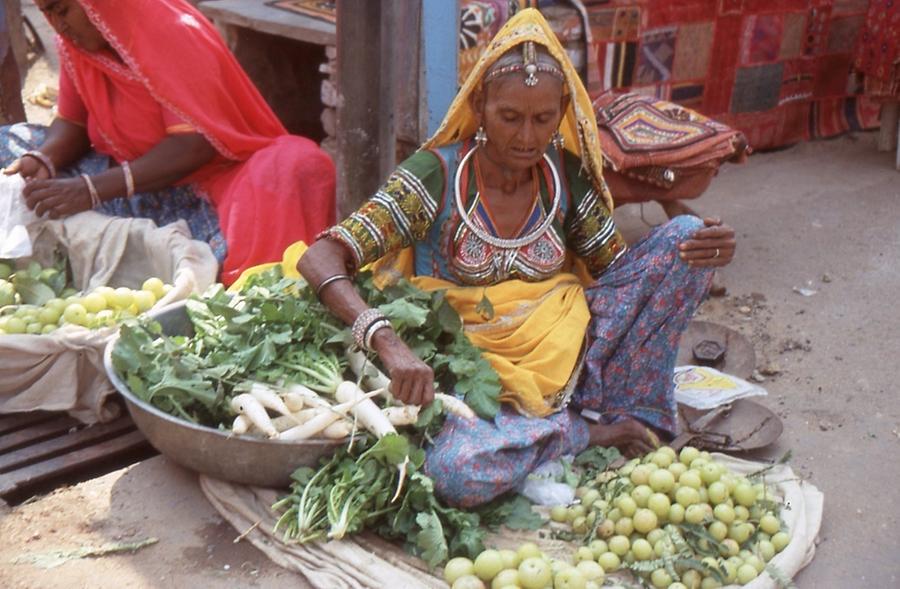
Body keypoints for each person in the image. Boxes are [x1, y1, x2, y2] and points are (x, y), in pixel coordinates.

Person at [298, 9, 736, 508]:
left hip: (568, 355)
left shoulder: (565, 177)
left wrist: (702, 250)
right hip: (469, 377)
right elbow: (322, 255)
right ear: (480, 105)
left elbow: (618, 277)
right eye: (510, 117)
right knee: (454, 473)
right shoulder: (434, 178)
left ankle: (605, 412)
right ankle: (591, 434)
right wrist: (387, 341)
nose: (527, 137)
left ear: (563, 112)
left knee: (684, 236)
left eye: (543, 119)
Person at [0, 0, 335, 285]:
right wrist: (44, 158)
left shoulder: (171, 33)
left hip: (204, 184)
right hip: (127, 177)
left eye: (63, 11)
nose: (59, 26)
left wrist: (90, 190)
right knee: (9, 143)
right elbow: (71, 122)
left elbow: (194, 145)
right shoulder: (74, 48)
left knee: (296, 164)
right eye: (48, 14)